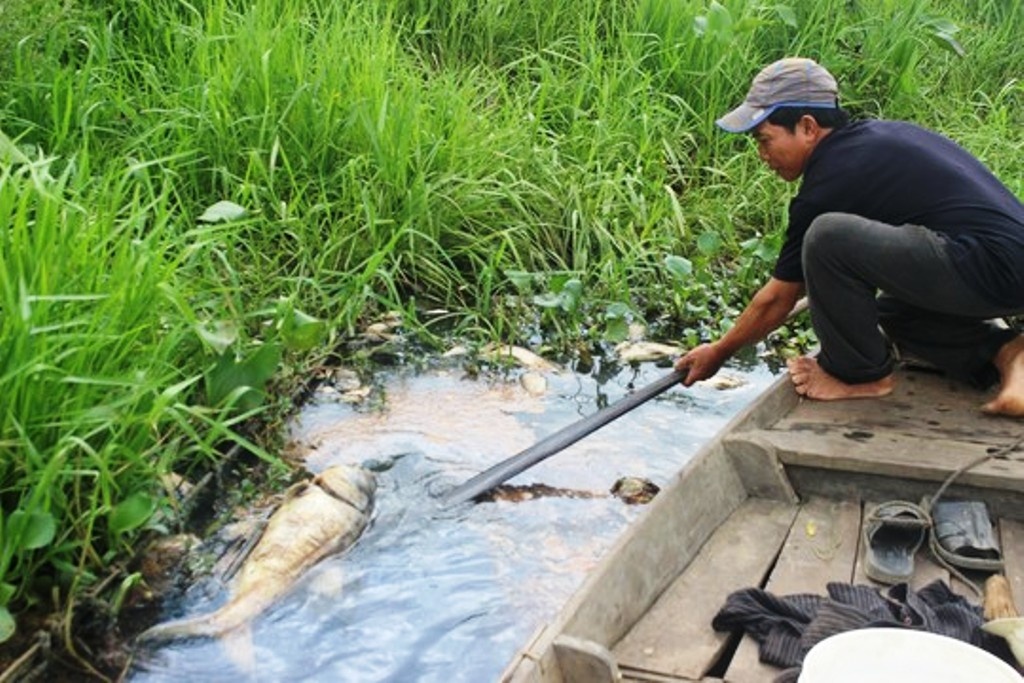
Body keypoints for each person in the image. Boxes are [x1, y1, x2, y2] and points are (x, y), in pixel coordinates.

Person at [674, 57, 1024, 417]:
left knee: (827, 237)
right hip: (1003, 266)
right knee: (893, 310)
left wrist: (719, 351)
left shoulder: (828, 182)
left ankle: (861, 376)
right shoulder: (875, 140)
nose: (763, 155)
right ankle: (1008, 351)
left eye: (765, 140)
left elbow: (779, 297)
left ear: (808, 127)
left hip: (992, 267)